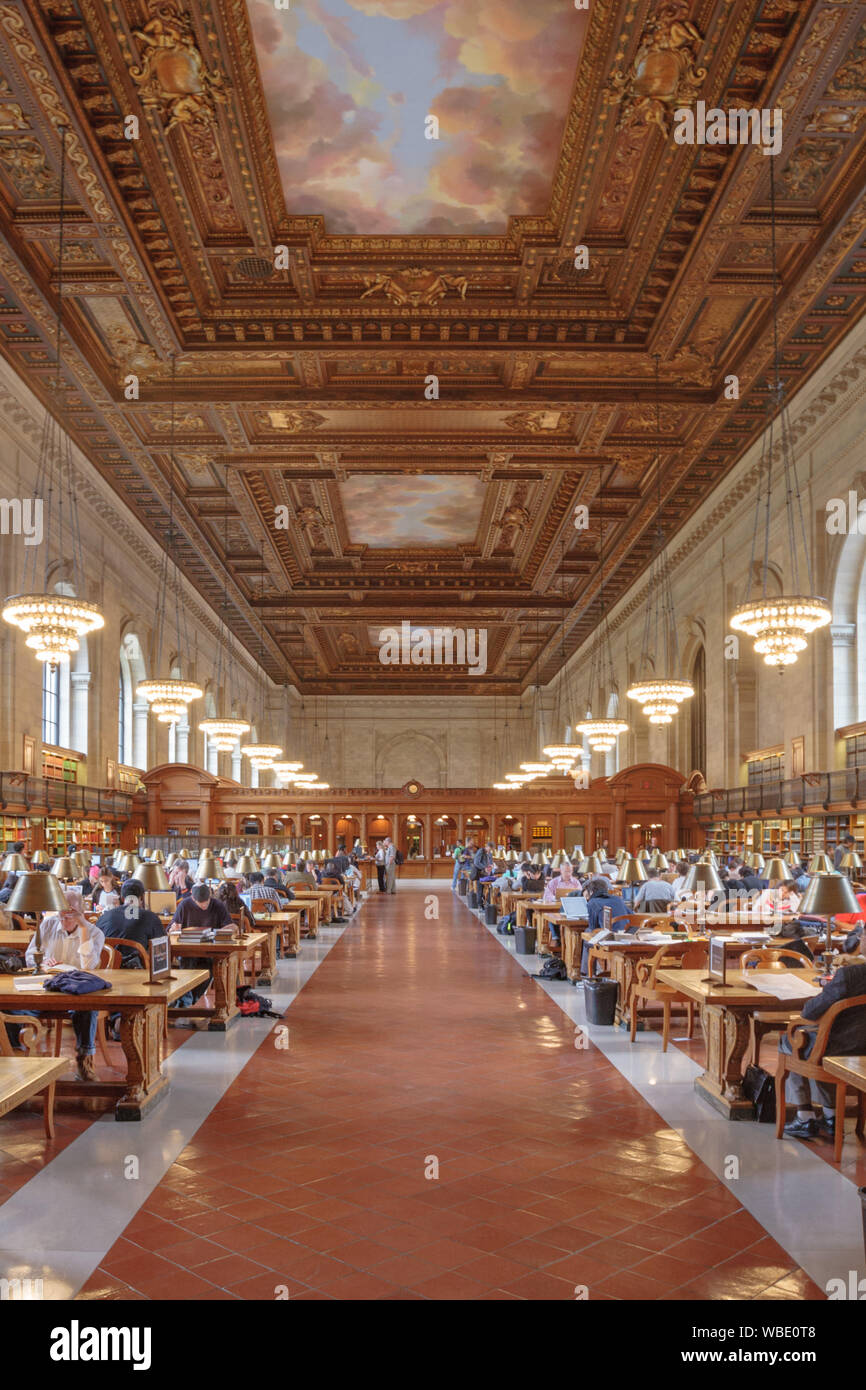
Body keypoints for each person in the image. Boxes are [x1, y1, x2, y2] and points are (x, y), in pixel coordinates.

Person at [23, 887, 104, 1081]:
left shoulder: (94, 933)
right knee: (12, 1007)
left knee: (87, 1008)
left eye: (70, 915)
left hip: (75, 992)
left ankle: (84, 1060)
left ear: (81, 913)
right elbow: (29, 955)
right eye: (61, 914)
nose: (64, 920)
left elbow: (89, 966)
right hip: (46, 989)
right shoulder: (48, 925)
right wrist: (42, 961)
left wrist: (83, 929)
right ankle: (19, 1060)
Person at [780, 961, 866, 1140]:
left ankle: (804, 1116)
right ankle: (831, 1116)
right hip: (860, 1051)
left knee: (793, 1040)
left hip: (832, 1047)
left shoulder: (848, 975)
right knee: (818, 1042)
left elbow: (810, 1012)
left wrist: (827, 990)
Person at [171, 883, 232, 1008]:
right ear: (193, 899)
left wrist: (226, 929)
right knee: (187, 965)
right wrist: (174, 928)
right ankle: (185, 1002)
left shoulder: (218, 905)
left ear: (210, 897)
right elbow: (171, 929)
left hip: (210, 951)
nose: (204, 905)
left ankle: (189, 1000)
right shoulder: (184, 905)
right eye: (200, 903)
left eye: (206, 902)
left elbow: (231, 925)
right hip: (188, 950)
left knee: (210, 968)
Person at [95, 880, 165, 969]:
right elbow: (162, 948)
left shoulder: (104, 916)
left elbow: (95, 944)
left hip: (106, 970)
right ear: (142, 898)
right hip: (137, 972)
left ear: (122, 898)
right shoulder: (150, 917)